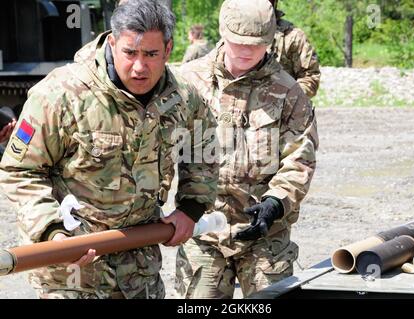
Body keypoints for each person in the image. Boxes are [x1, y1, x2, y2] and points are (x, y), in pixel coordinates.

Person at [0, 0, 217, 299]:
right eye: (130, 53)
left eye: (151, 54)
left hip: (140, 271)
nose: (140, 66)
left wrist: (191, 208)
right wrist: (52, 230)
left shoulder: (183, 97)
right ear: (113, 43)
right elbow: (20, 169)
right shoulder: (61, 94)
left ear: (168, 50)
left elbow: (202, 148)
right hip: (72, 272)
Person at [175, 0, 318, 299]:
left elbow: (300, 158)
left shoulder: (289, 92)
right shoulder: (188, 82)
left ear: (269, 40)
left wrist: (276, 202)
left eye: (254, 45)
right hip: (203, 233)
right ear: (222, 33)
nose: (244, 50)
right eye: (237, 42)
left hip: (265, 235)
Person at [268, 0, 321, 98]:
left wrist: (287, 98)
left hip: (280, 107)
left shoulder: (293, 36)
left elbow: (309, 77)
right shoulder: (233, 33)